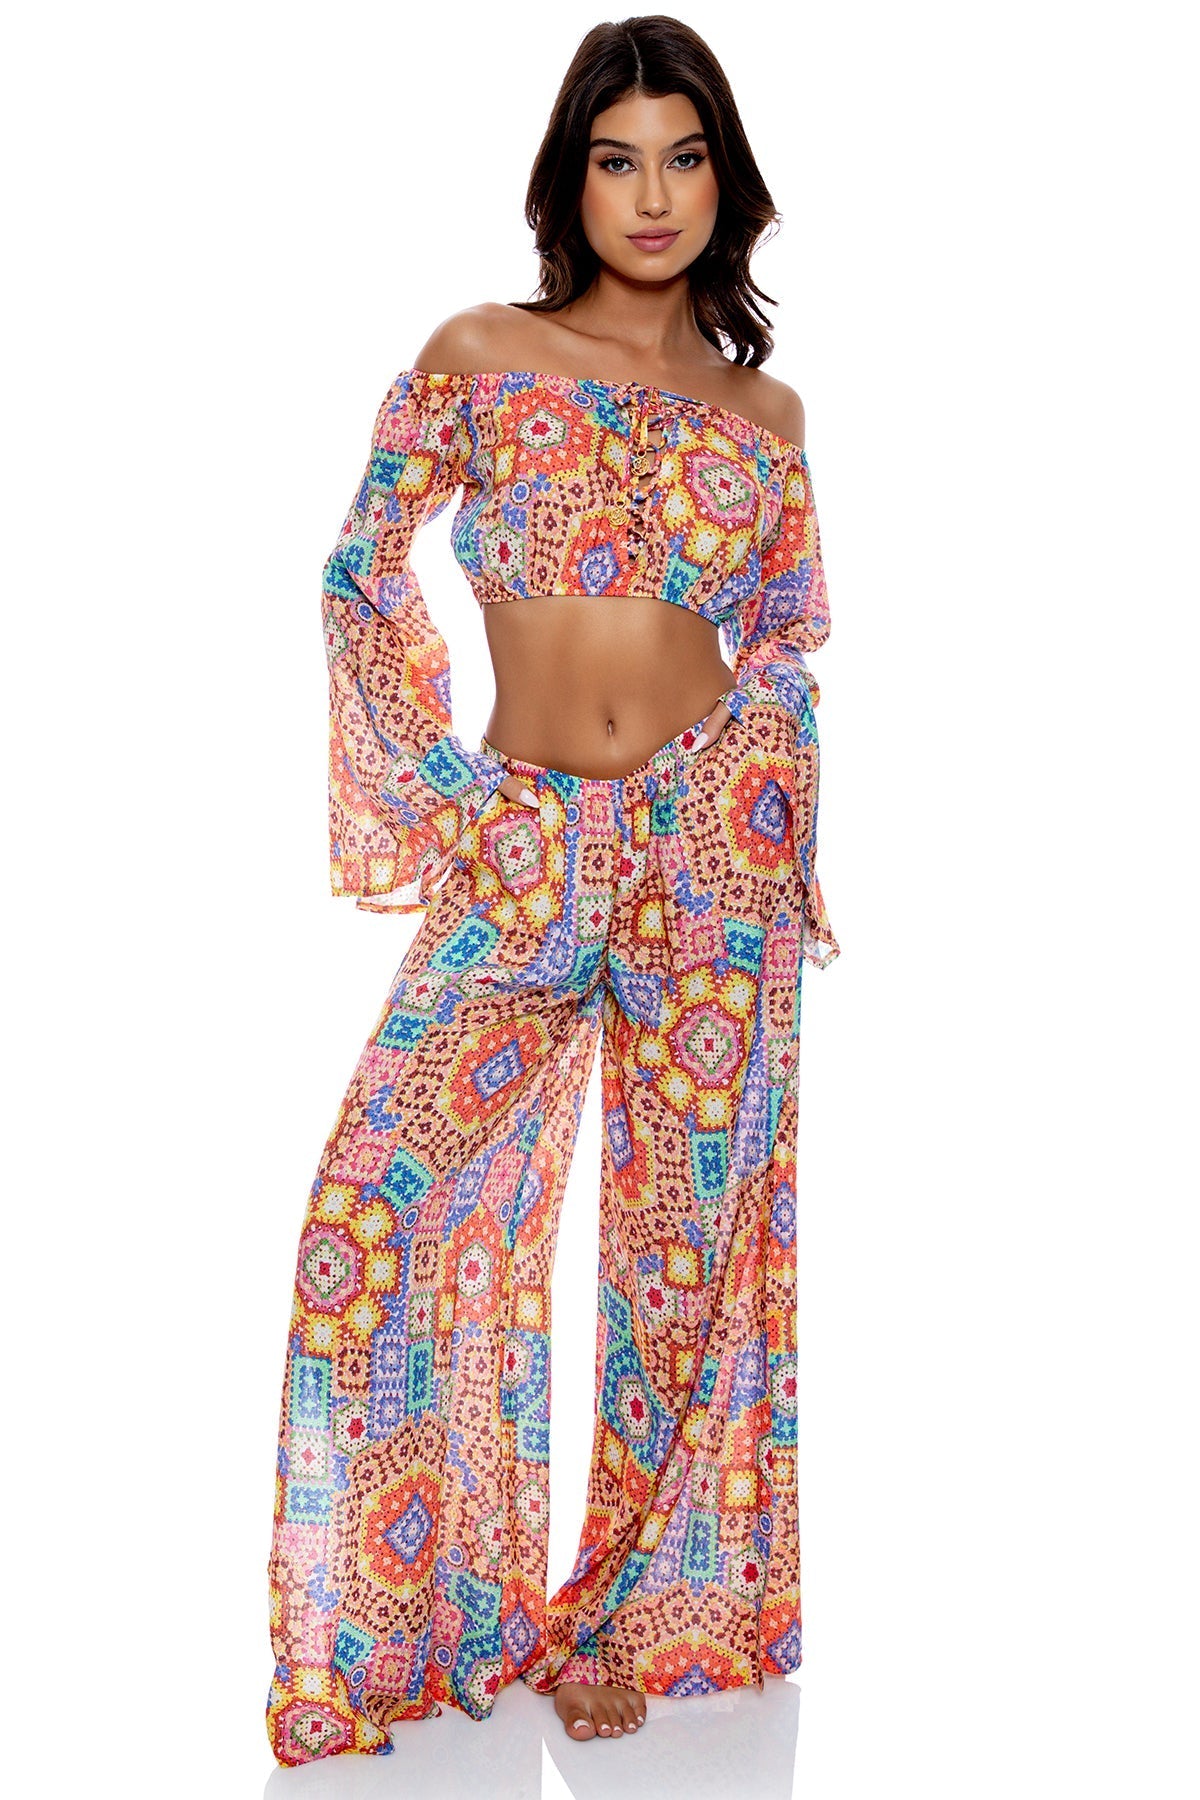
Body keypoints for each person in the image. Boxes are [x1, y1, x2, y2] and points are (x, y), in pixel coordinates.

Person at [265, 14, 841, 1768]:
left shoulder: (766, 414)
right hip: (521, 840)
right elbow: (359, 575)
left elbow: (788, 636)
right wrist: (451, 799)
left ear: (727, 181)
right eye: (617, 159)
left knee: (687, 1259)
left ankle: (621, 1620)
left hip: (711, 846)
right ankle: (403, 1626)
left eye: (685, 157)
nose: (652, 195)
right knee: (376, 1210)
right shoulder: (480, 352)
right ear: (569, 181)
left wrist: (767, 785)